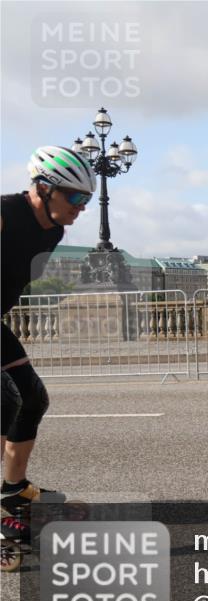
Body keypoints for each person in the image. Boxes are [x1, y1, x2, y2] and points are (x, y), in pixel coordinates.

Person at [1, 146, 96, 543]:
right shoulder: (5, 214)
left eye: (86, 198)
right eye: (74, 196)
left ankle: (12, 489)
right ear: (43, 188)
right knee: (4, 401)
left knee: (32, 398)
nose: (81, 207)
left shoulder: (54, 231)